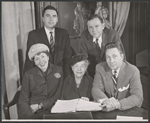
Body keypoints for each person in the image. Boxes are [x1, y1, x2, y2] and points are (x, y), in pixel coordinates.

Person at [23, 5, 74, 78]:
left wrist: (68, 79)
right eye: (48, 16)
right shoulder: (33, 35)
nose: (51, 19)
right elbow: (30, 61)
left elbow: (67, 58)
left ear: (57, 19)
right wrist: (26, 81)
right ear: (43, 18)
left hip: (60, 76)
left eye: (54, 16)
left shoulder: (64, 33)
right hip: (42, 78)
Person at [92, 42, 143, 112]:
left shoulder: (133, 71)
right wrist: (106, 101)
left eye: (114, 56)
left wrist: (117, 105)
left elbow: (138, 97)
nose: (111, 61)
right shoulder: (100, 68)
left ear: (122, 56)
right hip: (107, 109)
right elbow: (96, 89)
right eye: (108, 57)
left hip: (127, 110)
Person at [18, 44, 63, 119]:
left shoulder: (58, 70)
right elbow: (23, 100)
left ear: (48, 57)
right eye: (37, 59)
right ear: (34, 62)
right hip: (33, 112)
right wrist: (30, 115)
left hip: (52, 109)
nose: (41, 61)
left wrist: (40, 105)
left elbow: (58, 94)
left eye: (43, 56)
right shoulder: (28, 74)